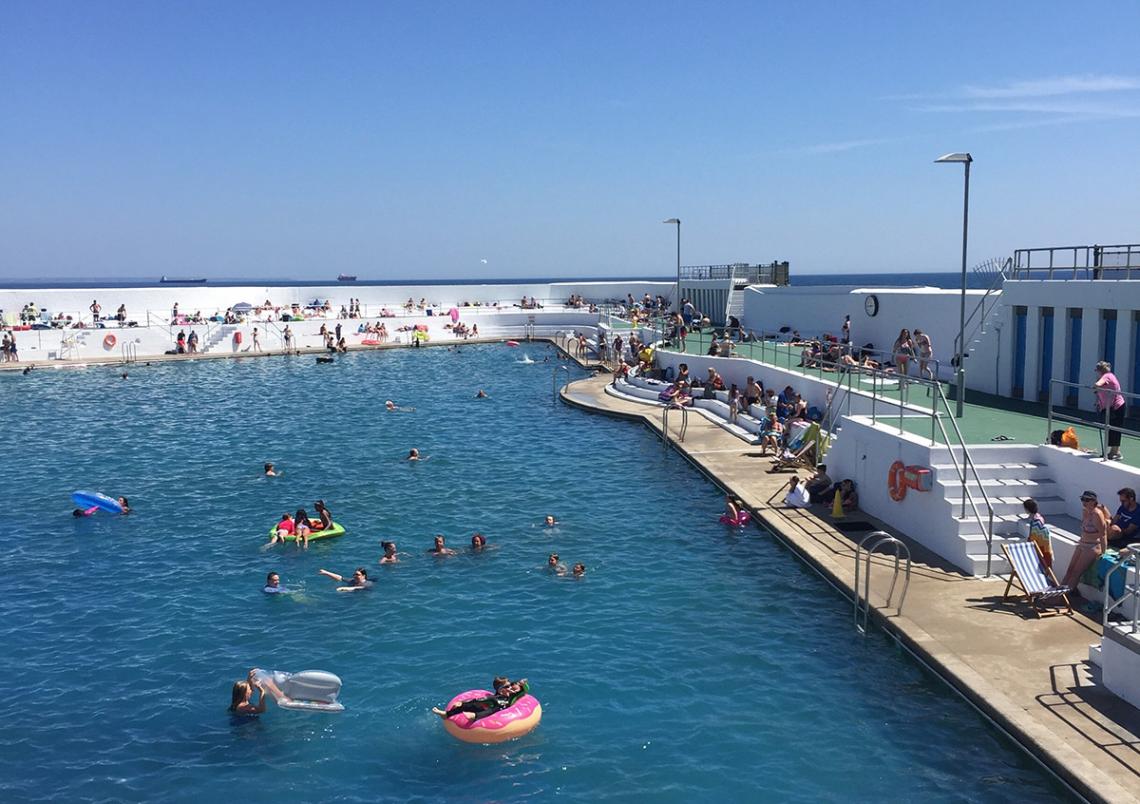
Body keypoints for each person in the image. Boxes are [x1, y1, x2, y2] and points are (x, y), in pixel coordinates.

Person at [1060, 490, 1110, 593]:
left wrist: (1104, 552)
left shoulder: (1097, 514)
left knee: (1076, 573)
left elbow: (1103, 534)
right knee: (1070, 570)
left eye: (1087, 500)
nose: (1084, 502)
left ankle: (1063, 596)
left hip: (1092, 546)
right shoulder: (1085, 511)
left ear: (1093, 501)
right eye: (1082, 499)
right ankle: (1058, 594)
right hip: (1082, 543)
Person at [433, 677, 530, 720]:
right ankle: (447, 714)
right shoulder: (496, 695)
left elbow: (524, 690)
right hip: (488, 705)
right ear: (500, 689)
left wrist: (523, 683)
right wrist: (462, 703)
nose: (510, 688)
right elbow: (483, 699)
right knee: (474, 705)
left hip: (497, 710)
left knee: (495, 706)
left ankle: (475, 716)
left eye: (511, 686)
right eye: (507, 686)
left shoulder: (513, 696)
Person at [1094, 361, 1126, 461]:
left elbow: (1097, 384)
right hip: (1111, 407)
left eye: (1097, 371)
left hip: (1116, 407)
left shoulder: (1106, 376)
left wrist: (1095, 386)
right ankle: (1116, 452)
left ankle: (1114, 452)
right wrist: (1099, 403)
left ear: (1100, 371)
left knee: (1114, 429)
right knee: (1112, 428)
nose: (1096, 373)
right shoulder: (1109, 376)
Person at [1022, 498, 1054, 568]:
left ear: (1027, 509)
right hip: (1044, 545)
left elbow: (1033, 536)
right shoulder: (1038, 517)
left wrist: (1029, 542)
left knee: (1042, 564)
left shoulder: (1036, 521)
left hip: (1041, 546)